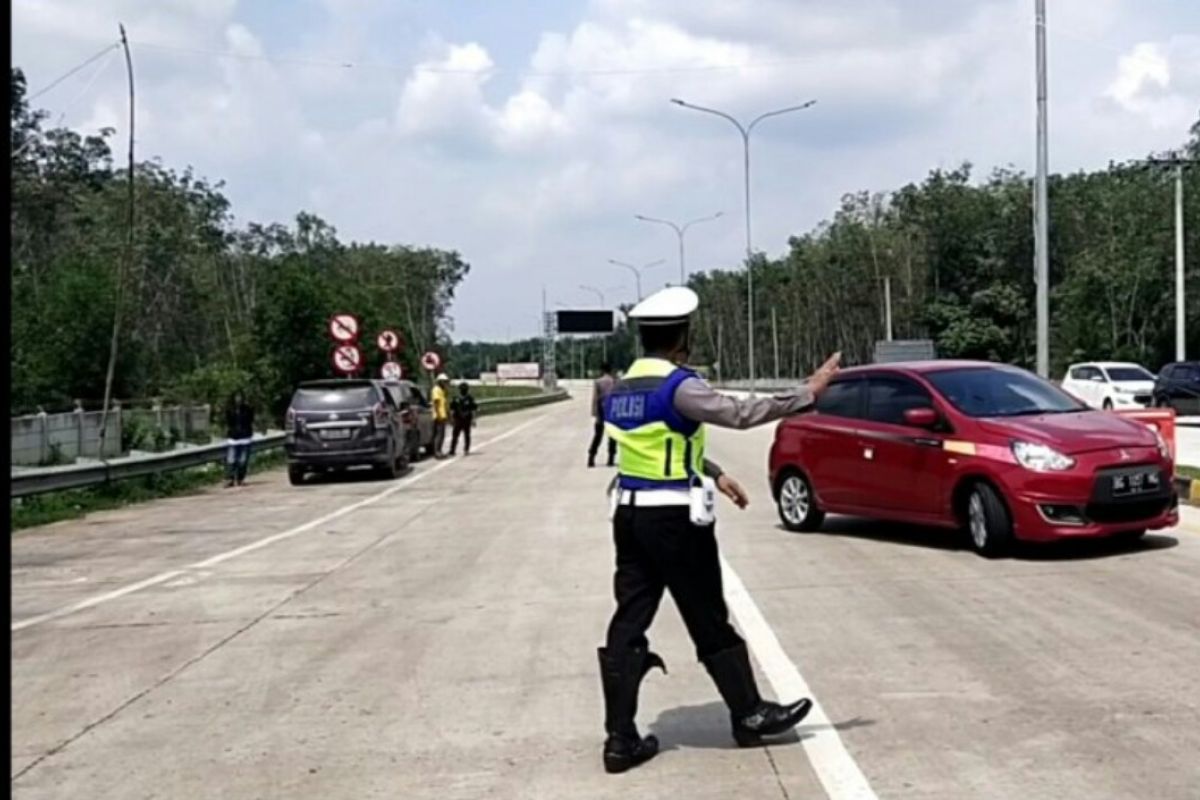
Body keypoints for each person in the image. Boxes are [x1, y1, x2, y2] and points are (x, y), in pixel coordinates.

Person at [596, 286, 841, 774]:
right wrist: (807, 393)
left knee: (630, 618)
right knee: (707, 612)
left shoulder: (621, 388)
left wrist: (712, 472)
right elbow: (739, 413)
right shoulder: (678, 385)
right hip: (674, 521)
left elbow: (654, 445)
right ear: (682, 338)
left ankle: (619, 740)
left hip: (629, 513)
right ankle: (749, 713)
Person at [587, 362, 618, 468]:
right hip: (613, 412)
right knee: (613, 436)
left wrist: (594, 413)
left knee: (597, 436)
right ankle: (611, 459)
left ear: (602, 370)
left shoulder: (598, 382)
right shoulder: (615, 381)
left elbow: (595, 398)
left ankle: (591, 457)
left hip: (601, 411)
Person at [224, 390, 255, 487]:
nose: (238, 399)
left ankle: (240, 478)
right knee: (231, 460)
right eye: (237, 397)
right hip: (233, 438)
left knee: (243, 460)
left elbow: (250, 420)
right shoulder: (230, 410)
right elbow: (228, 422)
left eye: (240, 397)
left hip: (245, 438)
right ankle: (230, 478)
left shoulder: (247, 409)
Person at [449, 382, 478, 456]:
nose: (463, 390)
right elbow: (452, 409)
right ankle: (452, 450)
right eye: (462, 388)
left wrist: (474, 419)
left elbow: (473, 409)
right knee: (455, 435)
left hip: (467, 419)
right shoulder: (455, 398)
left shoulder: (470, 398)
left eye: (465, 389)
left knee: (467, 435)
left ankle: (466, 449)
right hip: (457, 419)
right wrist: (451, 419)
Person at [431, 373, 451, 458]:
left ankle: (439, 451)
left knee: (442, 435)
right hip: (439, 416)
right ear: (440, 381)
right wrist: (437, 414)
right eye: (444, 382)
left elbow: (444, 404)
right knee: (439, 435)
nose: (446, 383)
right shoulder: (436, 389)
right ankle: (437, 452)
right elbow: (436, 402)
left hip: (442, 415)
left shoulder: (442, 390)